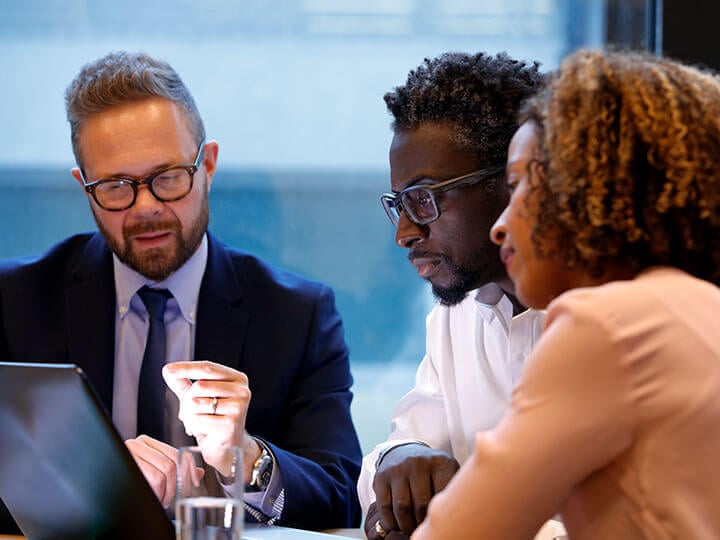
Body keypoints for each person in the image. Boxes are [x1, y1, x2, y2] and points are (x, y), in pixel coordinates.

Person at [0, 51, 362, 533]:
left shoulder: (298, 315)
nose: (146, 207)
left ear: (208, 165)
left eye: (168, 178)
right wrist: (86, 482)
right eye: (115, 186)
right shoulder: (14, 301)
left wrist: (247, 460)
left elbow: (342, 497)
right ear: (84, 189)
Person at [413, 48, 720, 539]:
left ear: (589, 188)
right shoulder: (702, 308)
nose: (500, 225)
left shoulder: (607, 326)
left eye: (518, 187)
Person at [357, 52, 546, 539]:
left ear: (513, 184)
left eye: (424, 197)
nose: (404, 232)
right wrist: (401, 462)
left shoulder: (606, 318)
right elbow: (399, 450)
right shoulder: (455, 315)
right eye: (398, 204)